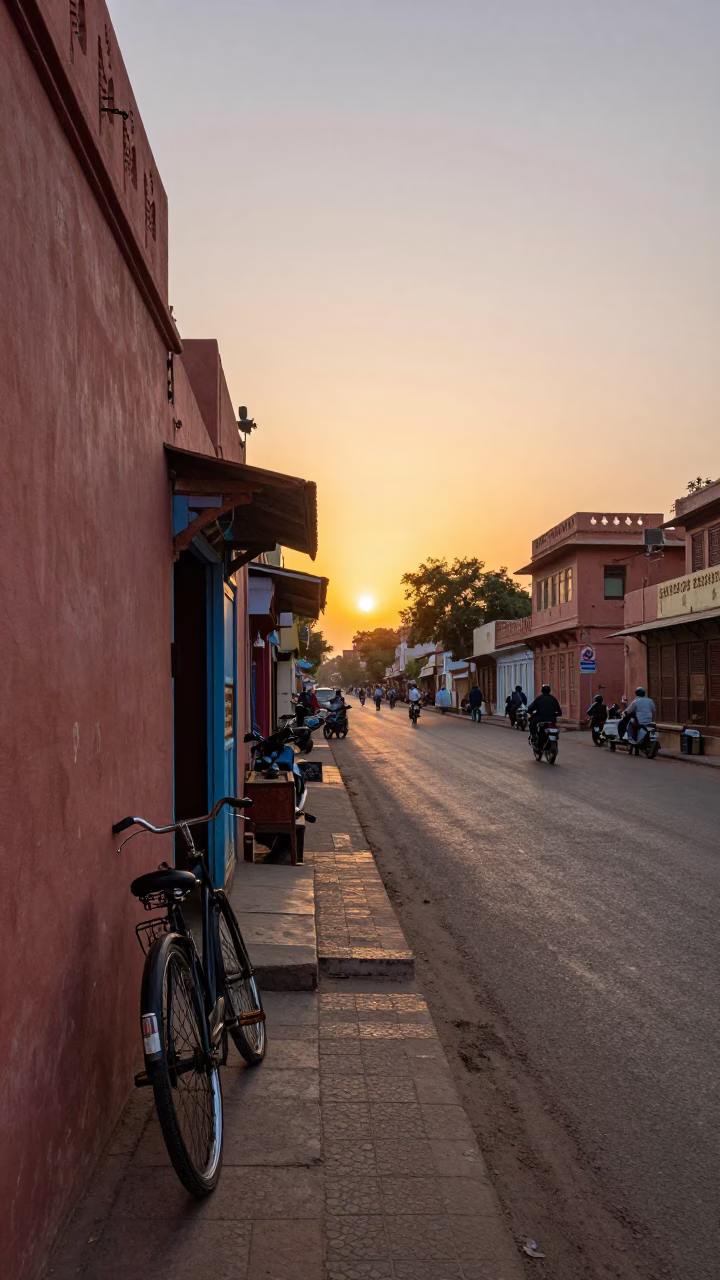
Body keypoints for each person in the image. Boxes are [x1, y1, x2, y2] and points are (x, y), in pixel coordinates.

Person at [528, 683, 562, 750]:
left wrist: (530, 712)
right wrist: (554, 714)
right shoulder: (553, 699)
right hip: (552, 719)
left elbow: (530, 708)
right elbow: (559, 712)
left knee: (532, 721)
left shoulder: (539, 699)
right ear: (549, 691)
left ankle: (534, 736)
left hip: (540, 719)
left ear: (542, 691)